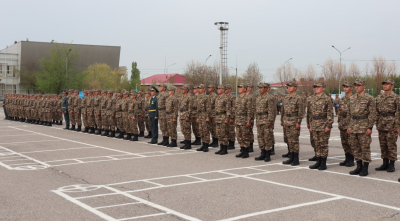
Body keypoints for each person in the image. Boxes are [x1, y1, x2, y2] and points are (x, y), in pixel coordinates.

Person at [348, 79, 376, 176]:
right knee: (355, 148)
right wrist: (349, 126)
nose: (357, 87)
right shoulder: (352, 98)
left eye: (359, 85)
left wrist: (370, 127)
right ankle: (358, 166)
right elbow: (349, 113)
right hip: (353, 125)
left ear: (364, 86)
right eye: (356, 85)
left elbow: (373, 114)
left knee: (365, 148)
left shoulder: (369, 98)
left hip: (363, 126)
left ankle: (365, 168)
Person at [375, 79, 400, 173]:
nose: (385, 86)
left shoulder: (396, 97)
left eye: (387, 84)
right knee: (383, 144)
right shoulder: (379, 97)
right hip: (381, 123)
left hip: (391, 123)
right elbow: (377, 111)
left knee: (391, 145)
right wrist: (377, 123)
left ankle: (392, 164)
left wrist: (397, 126)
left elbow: (398, 112)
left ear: (392, 86)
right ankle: (385, 163)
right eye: (384, 84)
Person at [308, 82, 334, 170]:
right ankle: (318, 161)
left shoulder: (327, 99)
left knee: (323, 144)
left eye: (318, 87)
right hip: (315, 124)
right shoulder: (312, 99)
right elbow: (311, 114)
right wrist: (311, 124)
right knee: (317, 144)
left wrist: (328, 126)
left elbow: (330, 114)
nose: (316, 88)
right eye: (315, 87)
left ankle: (323, 163)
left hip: (323, 124)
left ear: (323, 88)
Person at [281, 81, 304, 166]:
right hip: (287, 121)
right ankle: (291, 157)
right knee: (289, 140)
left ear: (295, 88)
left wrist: (298, 122)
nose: (288, 88)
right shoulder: (286, 98)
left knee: (294, 141)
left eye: (290, 86)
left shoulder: (298, 98)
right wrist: (283, 121)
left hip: (294, 122)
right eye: (288, 87)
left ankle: (296, 159)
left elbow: (301, 112)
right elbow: (283, 111)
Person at [254, 83, 275, 162]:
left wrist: (269, 121)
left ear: (266, 89)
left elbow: (271, 111)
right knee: (260, 138)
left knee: (267, 138)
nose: (260, 89)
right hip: (259, 120)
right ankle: (262, 153)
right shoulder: (258, 98)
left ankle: (267, 155)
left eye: (261, 88)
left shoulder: (269, 98)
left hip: (266, 120)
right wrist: (256, 120)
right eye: (259, 88)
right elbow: (257, 111)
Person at [338, 81, 355, 167]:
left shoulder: (354, 98)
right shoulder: (342, 99)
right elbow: (340, 112)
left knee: (350, 142)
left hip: (350, 123)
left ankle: (351, 160)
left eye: (347, 87)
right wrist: (339, 122)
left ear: (351, 88)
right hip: (343, 123)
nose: (345, 88)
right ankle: (347, 158)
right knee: (344, 142)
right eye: (344, 87)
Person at [234, 83, 252, 158]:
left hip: (244, 119)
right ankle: (242, 150)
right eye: (239, 87)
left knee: (245, 136)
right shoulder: (237, 98)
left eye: (241, 87)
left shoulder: (247, 98)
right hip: (238, 119)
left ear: (245, 89)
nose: (239, 88)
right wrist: (235, 120)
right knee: (239, 136)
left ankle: (246, 152)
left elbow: (249, 111)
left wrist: (248, 121)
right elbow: (235, 110)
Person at [214, 85, 231, 155]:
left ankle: (225, 149)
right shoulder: (217, 98)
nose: (218, 90)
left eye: (219, 89)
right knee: (219, 134)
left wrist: (227, 119)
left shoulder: (226, 98)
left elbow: (228, 110)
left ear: (223, 90)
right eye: (217, 89)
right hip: (218, 118)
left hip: (223, 117)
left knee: (224, 134)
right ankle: (221, 148)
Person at [196, 84, 211, 152]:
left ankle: (206, 145)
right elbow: (198, 108)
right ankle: (203, 144)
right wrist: (198, 117)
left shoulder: (206, 97)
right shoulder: (198, 97)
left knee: (205, 131)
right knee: (201, 131)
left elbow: (208, 108)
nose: (199, 89)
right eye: (199, 88)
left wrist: (208, 117)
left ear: (204, 89)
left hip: (205, 115)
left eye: (201, 88)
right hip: (200, 115)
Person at [179, 85, 192, 149]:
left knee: (187, 130)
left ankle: (188, 144)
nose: (182, 90)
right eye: (181, 89)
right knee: (183, 130)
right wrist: (180, 116)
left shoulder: (189, 97)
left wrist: (187, 116)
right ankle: (186, 142)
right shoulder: (182, 97)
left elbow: (190, 108)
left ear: (187, 90)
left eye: (183, 89)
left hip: (186, 115)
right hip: (182, 115)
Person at [225, 85, 236, 150]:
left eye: (227, 89)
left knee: (231, 130)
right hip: (225, 116)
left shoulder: (232, 97)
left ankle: (232, 144)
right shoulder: (224, 97)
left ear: (230, 89)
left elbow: (233, 108)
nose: (225, 90)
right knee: (226, 130)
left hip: (230, 116)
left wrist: (232, 117)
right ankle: (228, 142)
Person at [246, 84, 256, 152]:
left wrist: (252, 118)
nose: (250, 88)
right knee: (244, 132)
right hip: (243, 117)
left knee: (249, 131)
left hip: (250, 116)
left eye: (250, 87)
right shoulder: (243, 95)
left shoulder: (252, 96)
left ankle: (251, 146)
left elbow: (254, 107)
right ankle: (245, 146)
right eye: (248, 87)